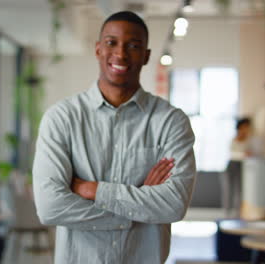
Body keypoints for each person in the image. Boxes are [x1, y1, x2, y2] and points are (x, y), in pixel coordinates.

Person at [33, 11, 197, 264]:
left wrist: (92, 189)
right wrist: (135, 211)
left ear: (146, 56)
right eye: (111, 43)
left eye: (133, 45)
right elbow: (50, 207)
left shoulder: (171, 122)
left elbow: (173, 205)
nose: (120, 54)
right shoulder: (61, 119)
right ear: (98, 49)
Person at [222, 117, 253, 217]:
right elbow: (233, 153)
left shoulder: (249, 140)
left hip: (242, 166)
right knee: (228, 190)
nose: (247, 129)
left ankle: (237, 214)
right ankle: (227, 214)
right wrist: (243, 154)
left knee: (239, 191)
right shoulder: (233, 139)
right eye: (245, 126)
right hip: (232, 165)